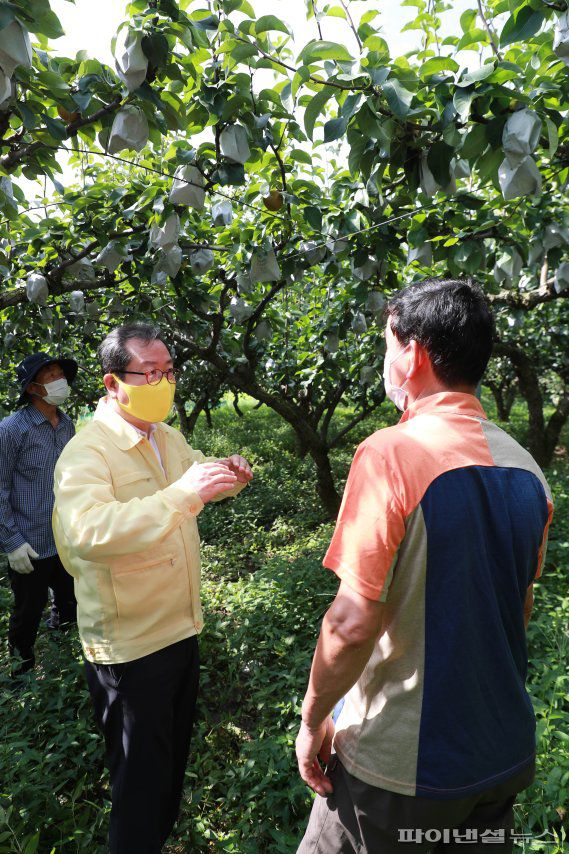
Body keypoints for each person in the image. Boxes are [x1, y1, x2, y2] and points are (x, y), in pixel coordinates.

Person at [295, 279, 553, 853]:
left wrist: (313, 721)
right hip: (499, 753)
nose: (384, 361)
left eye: (388, 344)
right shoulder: (528, 469)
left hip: (402, 768)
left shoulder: (391, 453)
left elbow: (352, 622)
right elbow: (520, 607)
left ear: (411, 355)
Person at [52, 323, 252, 854]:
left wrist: (223, 480)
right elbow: (86, 533)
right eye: (149, 373)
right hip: (130, 646)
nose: (162, 382)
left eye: (168, 372)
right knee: (138, 785)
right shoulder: (86, 453)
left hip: (179, 630)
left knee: (166, 770)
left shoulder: (167, 437)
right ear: (113, 383)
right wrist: (181, 496)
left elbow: (192, 489)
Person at [0, 352, 78, 677]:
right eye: (50, 375)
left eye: (61, 372)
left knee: (70, 601)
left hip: (65, 538)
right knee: (27, 613)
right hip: (31, 543)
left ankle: (64, 656)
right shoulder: (12, 429)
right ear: (33, 388)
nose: (59, 379)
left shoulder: (68, 425)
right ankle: (21, 673)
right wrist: (12, 541)